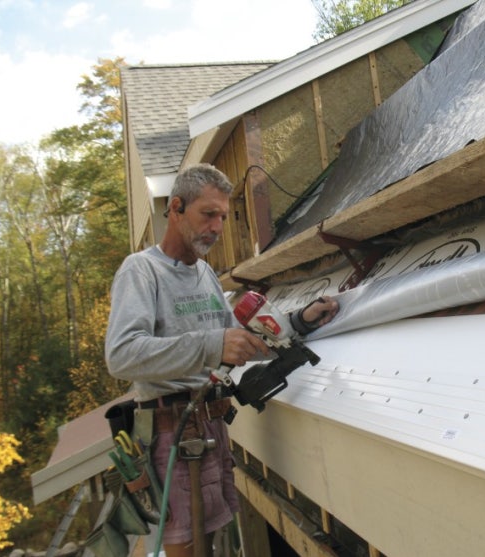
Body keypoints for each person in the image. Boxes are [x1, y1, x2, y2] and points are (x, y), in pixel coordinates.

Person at [105, 163, 338, 557]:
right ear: (176, 207)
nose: (216, 227)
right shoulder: (142, 271)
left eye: (223, 217)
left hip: (209, 428)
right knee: (186, 546)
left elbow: (239, 342)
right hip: (170, 434)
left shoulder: (208, 277)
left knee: (210, 541)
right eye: (207, 214)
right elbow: (122, 355)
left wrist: (299, 320)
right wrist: (213, 344)